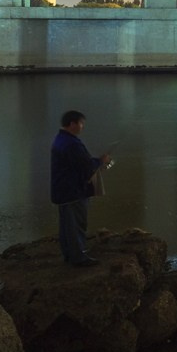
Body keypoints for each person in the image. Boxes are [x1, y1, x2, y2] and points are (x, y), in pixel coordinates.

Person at [50, 110, 109, 267]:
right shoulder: (71, 143)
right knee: (76, 224)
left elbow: (79, 163)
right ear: (72, 124)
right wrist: (101, 162)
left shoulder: (60, 139)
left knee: (66, 226)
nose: (82, 127)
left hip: (62, 191)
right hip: (73, 192)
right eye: (81, 123)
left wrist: (97, 162)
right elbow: (86, 165)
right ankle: (78, 257)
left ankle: (69, 254)